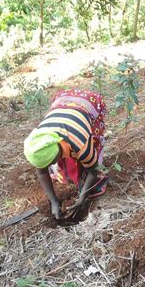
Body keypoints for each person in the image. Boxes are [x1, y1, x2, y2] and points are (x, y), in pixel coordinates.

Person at [24, 89, 107, 219]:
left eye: (52, 161)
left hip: (87, 104)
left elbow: (93, 170)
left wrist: (82, 198)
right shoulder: (38, 145)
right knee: (63, 167)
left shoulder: (81, 143)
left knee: (92, 151)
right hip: (61, 105)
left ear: (58, 149)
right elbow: (41, 172)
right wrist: (54, 202)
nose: (51, 165)